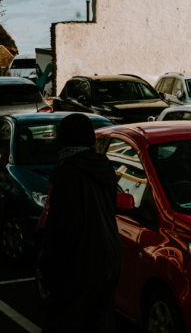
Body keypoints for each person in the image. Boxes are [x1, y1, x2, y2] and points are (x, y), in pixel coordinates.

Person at [39, 114, 122, 333]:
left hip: (80, 266)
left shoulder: (67, 173)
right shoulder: (103, 165)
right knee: (100, 322)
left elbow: (65, 229)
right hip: (109, 259)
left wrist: (50, 268)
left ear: (63, 139)